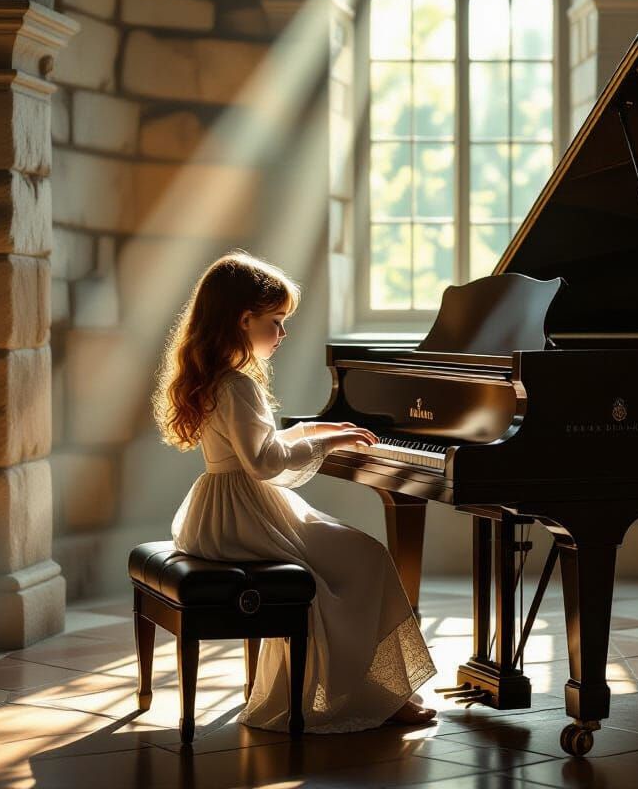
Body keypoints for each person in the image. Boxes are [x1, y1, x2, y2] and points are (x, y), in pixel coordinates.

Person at [153, 250, 437, 733]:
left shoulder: (219, 380)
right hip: (245, 516)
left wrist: (309, 430)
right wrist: (327, 439)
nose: (283, 333)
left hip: (219, 515)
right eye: (277, 321)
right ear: (244, 319)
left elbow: (254, 448)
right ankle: (380, 696)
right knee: (366, 558)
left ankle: (377, 690)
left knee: (352, 558)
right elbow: (264, 464)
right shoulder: (238, 385)